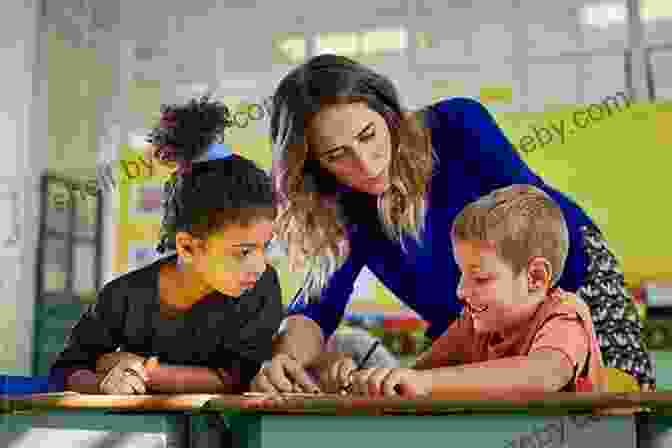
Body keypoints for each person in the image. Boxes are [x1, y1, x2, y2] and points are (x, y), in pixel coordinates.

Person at [251, 54, 654, 394]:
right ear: (314, 166)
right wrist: (285, 360)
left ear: (386, 113)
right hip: (472, 319)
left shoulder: (458, 125)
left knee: (615, 402)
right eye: (338, 154)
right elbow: (317, 307)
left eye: (368, 135)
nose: (366, 162)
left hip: (568, 276)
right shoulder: (340, 207)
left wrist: (517, 349)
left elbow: (536, 218)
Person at [50, 96, 283, 394]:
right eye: (244, 252)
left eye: (266, 247)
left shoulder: (260, 289)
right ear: (187, 247)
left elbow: (239, 378)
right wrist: (104, 382)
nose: (259, 265)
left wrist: (145, 371)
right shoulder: (122, 298)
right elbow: (65, 372)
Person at [347, 185, 605, 397]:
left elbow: (543, 375)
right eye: (462, 274)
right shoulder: (474, 323)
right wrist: (379, 384)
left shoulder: (564, 316)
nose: (460, 291)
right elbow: (414, 377)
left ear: (535, 277)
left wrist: (426, 383)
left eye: (479, 278)